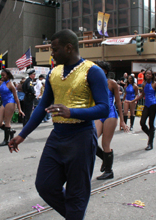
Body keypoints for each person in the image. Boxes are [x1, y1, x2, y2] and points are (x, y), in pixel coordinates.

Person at [8, 29, 110, 219]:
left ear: (68, 48)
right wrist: (22, 134)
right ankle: (74, 215)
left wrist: (72, 112)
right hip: (57, 138)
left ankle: (74, 214)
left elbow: (104, 108)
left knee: (77, 194)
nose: (52, 54)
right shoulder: (53, 73)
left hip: (82, 137)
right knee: (45, 185)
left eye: (54, 50)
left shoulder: (93, 71)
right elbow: (41, 108)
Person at [94, 61, 128, 180]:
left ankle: (109, 171)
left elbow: (118, 103)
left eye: (99, 69)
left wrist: (122, 121)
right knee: (91, 140)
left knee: (105, 144)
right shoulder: (93, 83)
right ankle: (105, 159)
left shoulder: (112, 83)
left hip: (110, 114)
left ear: (105, 71)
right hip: (98, 114)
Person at [127, 69, 156, 150]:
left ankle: (150, 143)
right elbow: (142, 95)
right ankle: (151, 135)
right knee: (142, 123)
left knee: (151, 124)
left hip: (153, 105)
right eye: (146, 73)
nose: (148, 75)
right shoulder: (144, 84)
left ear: (152, 75)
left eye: (149, 74)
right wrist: (132, 101)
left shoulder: (155, 84)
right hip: (146, 105)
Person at [0, 69, 24, 146]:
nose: (2, 76)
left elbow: (16, 98)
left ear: (8, 75)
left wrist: (19, 109)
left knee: (7, 122)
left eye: (3, 75)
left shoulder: (11, 85)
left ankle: (6, 140)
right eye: (1, 75)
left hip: (10, 102)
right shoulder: (1, 83)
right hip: (4, 103)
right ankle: (10, 131)